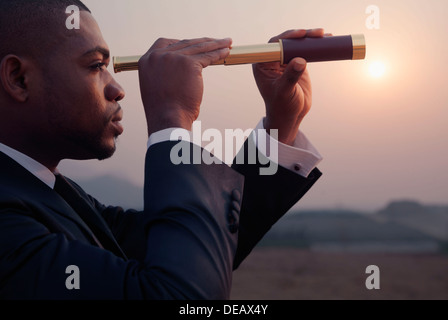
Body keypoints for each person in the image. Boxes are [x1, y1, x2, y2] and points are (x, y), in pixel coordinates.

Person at [0, 0, 322, 300]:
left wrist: (281, 125)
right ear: (18, 78)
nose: (117, 88)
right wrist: (172, 119)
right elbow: (183, 295)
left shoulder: (51, 193)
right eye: (96, 65)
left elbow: (196, 251)